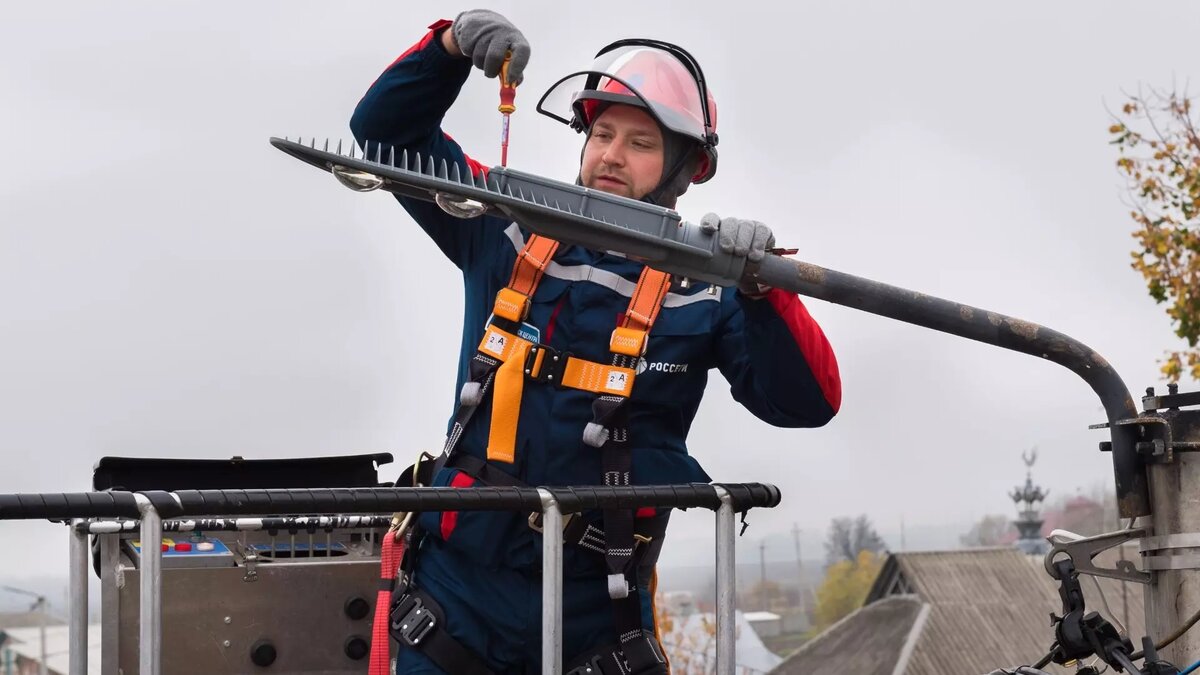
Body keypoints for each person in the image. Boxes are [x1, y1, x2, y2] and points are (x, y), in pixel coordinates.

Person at [349, 9, 842, 674]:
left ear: (689, 166)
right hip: (455, 604)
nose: (610, 153)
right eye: (601, 132)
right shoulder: (502, 229)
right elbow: (384, 135)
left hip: (598, 620)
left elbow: (806, 401)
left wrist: (764, 286)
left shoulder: (707, 292)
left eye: (639, 142)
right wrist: (450, 44)